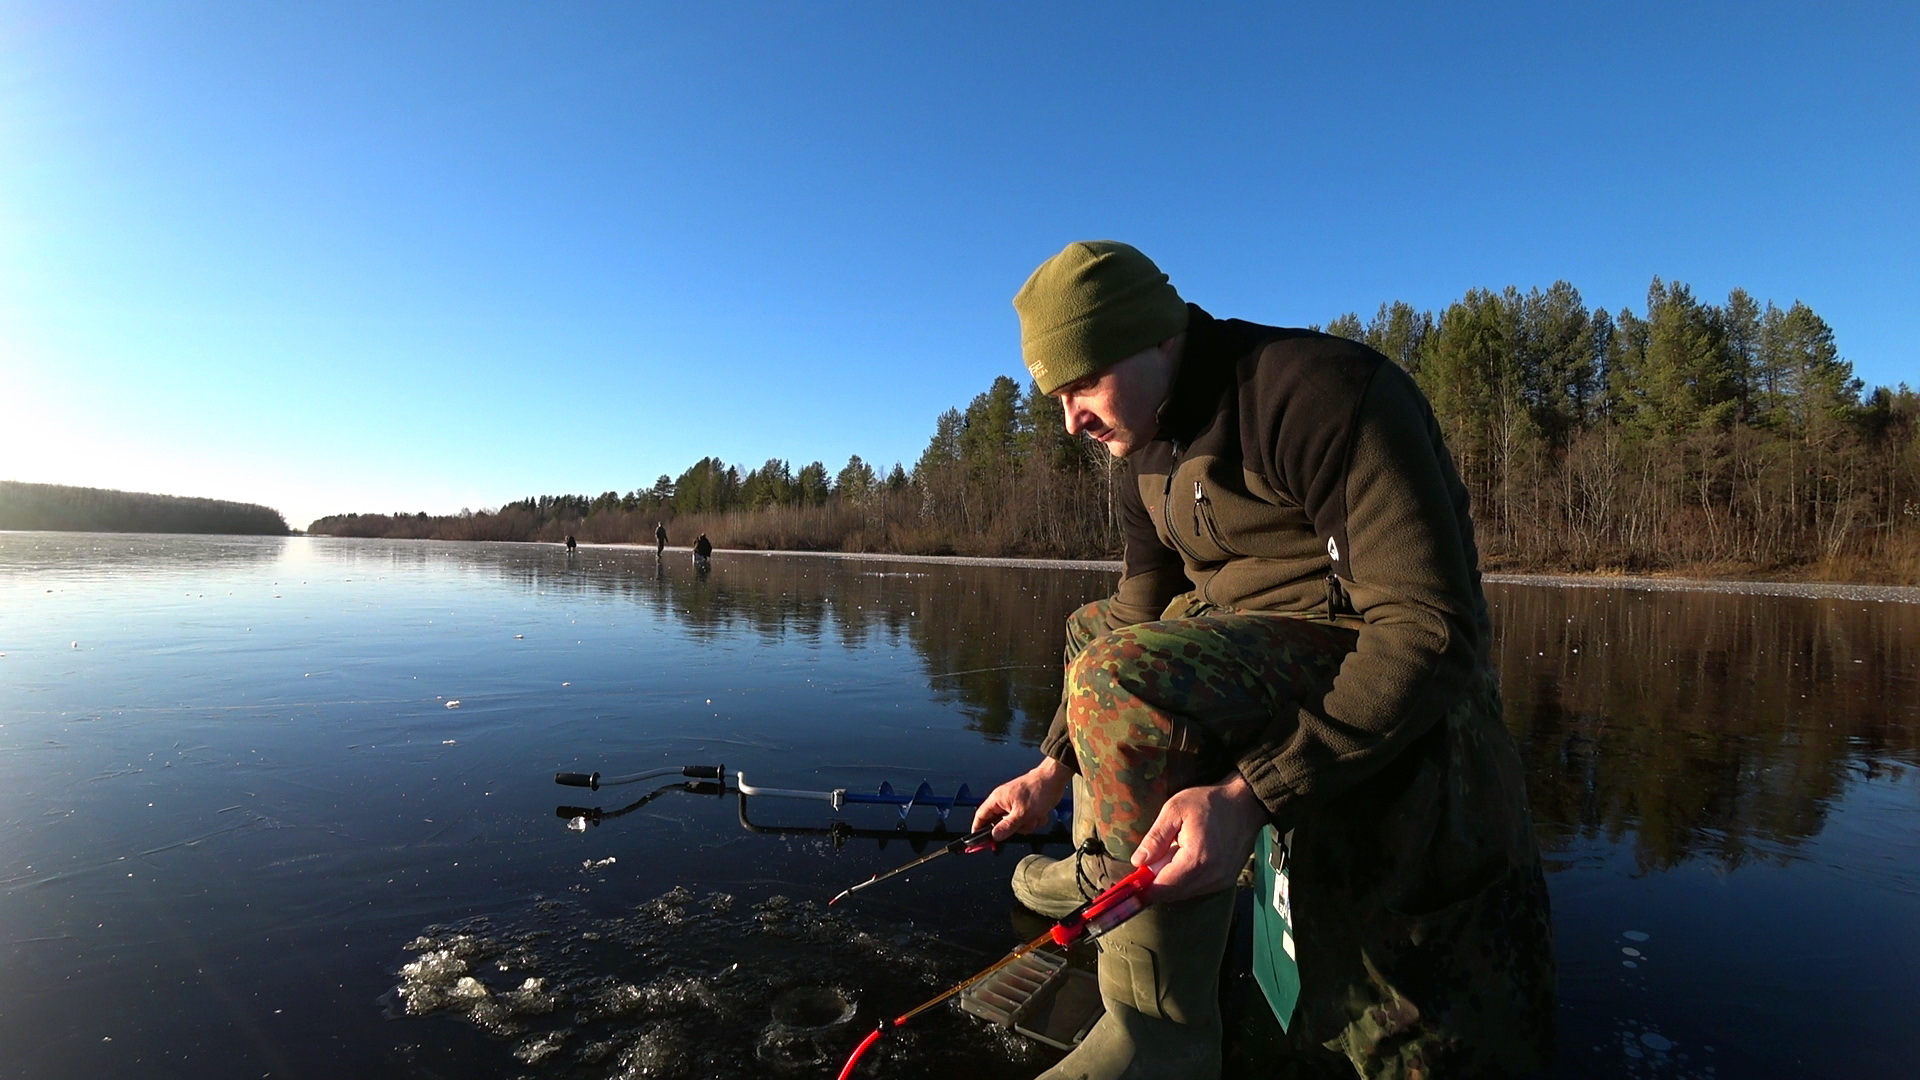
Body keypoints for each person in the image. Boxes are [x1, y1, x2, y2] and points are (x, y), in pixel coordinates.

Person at [970, 242, 1553, 1080]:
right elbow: (1135, 606)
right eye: (1056, 396)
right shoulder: (1143, 456)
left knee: (1115, 673)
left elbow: (1430, 629)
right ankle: (1112, 877)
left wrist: (1253, 796)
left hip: (1365, 645)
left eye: (1082, 385)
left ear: (1158, 338)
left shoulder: (1317, 394)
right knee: (1091, 629)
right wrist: (1049, 770)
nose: (1072, 420)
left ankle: (1162, 1035)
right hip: (1256, 638)